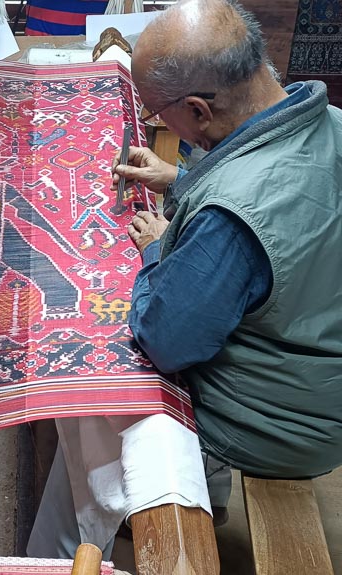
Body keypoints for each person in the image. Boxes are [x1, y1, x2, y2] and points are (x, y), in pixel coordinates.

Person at [113, 0, 342, 479]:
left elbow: (166, 341)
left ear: (197, 110)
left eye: (154, 111)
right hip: (324, 382)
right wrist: (181, 180)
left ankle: (159, 500)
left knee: (111, 364)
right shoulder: (333, 124)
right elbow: (294, 211)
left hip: (279, 425)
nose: (153, 119)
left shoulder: (229, 221)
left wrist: (159, 246)